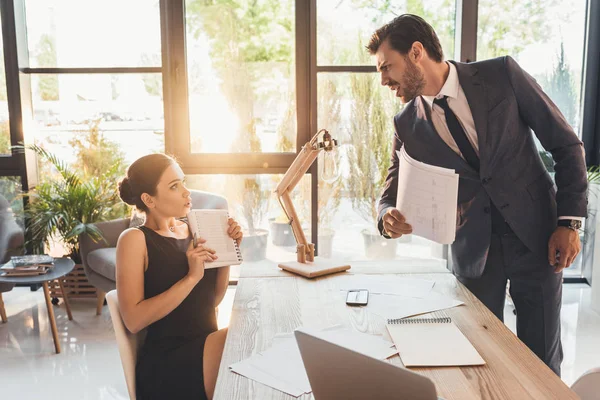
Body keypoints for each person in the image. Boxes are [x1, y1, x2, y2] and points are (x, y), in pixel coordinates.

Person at [368, 14, 587, 376]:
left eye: (387, 67)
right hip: (473, 252)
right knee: (477, 358)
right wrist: (386, 215)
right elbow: (389, 190)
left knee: (541, 361)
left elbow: (566, 145)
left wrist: (569, 222)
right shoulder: (406, 123)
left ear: (417, 52)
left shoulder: (501, 75)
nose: (383, 80)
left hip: (539, 237)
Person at [116, 153, 243, 399]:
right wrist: (191, 278)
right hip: (168, 365)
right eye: (175, 186)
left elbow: (213, 300)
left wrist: (229, 249)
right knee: (241, 338)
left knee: (249, 337)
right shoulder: (134, 239)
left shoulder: (195, 227)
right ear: (148, 199)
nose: (187, 192)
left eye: (183, 182)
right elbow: (133, 320)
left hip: (207, 346)